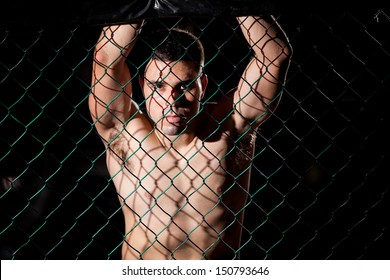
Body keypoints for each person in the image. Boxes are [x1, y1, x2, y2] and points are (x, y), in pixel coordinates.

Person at [89, 15, 292, 260]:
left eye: (184, 86)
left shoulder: (230, 128)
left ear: (202, 85)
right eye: (159, 86)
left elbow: (274, 57)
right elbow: (104, 59)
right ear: (142, 85)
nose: (172, 101)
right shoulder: (124, 132)